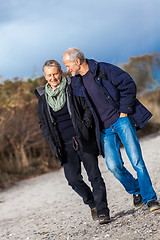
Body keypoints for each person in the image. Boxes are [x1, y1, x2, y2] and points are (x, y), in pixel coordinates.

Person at [63, 48, 160, 212]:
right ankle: (136, 190)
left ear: (77, 61)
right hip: (104, 130)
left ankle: (150, 199)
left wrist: (124, 111)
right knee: (114, 166)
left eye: (68, 65)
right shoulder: (76, 82)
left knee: (137, 161)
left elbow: (127, 84)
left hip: (121, 121)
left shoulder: (103, 69)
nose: (67, 69)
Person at [35, 59, 110, 224]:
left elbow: (87, 108)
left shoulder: (72, 87)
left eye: (55, 73)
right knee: (73, 180)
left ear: (60, 72)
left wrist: (85, 126)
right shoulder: (42, 97)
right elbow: (43, 123)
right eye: (49, 75)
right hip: (64, 145)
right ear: (45, 76)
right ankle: (92, 203)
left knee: (94, 176)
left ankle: (103, 211)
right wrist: (51, 140)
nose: (53, 77)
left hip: (82, 138)